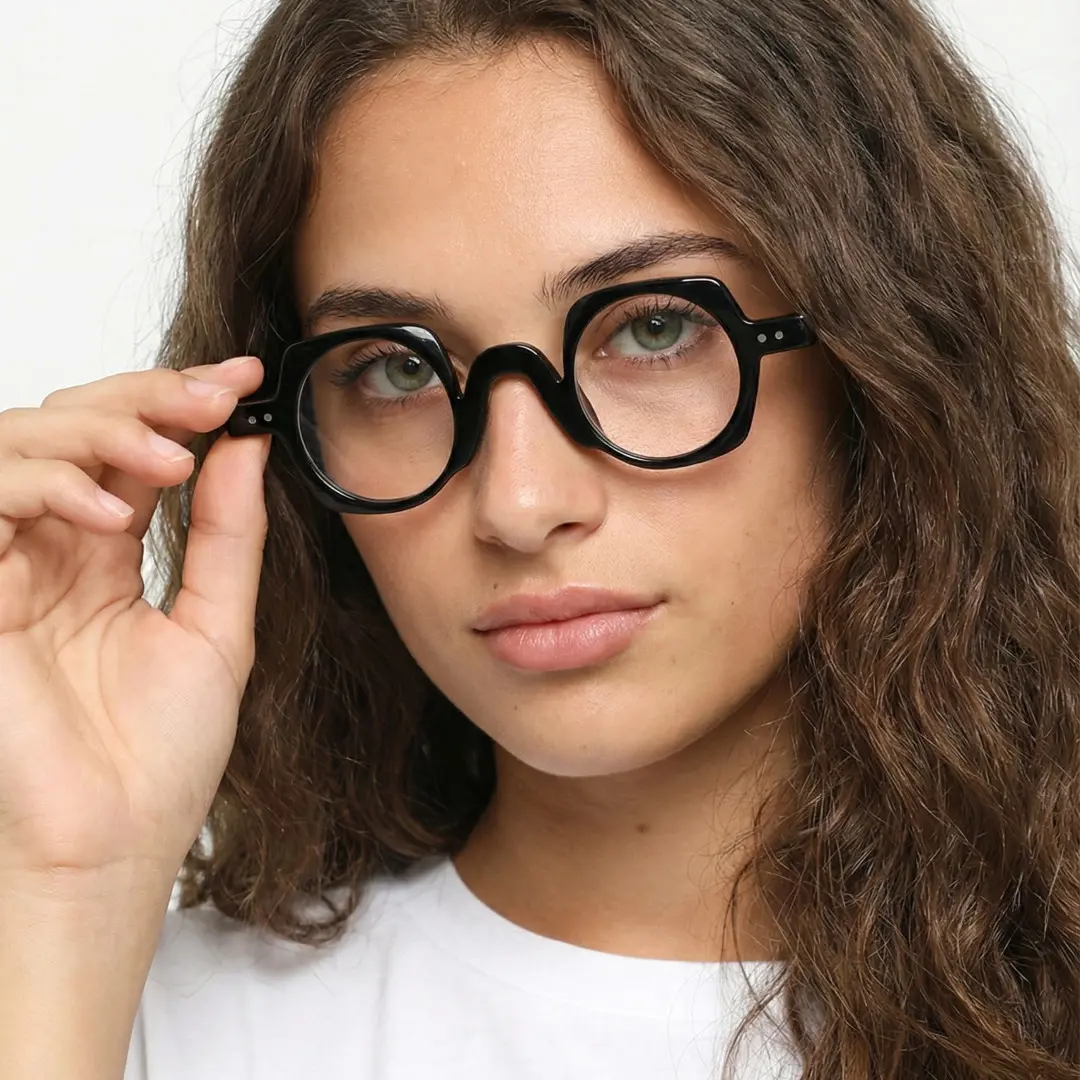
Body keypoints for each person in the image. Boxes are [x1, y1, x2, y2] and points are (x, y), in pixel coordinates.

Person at [0, 0, 1077, 1077]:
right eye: (400, 369)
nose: (517, 501)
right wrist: (63, 884)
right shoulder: (109, 1020)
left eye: (653, 328)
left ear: (890, 361)